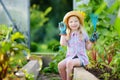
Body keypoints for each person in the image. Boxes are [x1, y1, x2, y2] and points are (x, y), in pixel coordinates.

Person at [58, 11, 98, 80]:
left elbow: (88, 48)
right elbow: (62, 44)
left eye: (76, 21)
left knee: (69, 63)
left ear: (79, 22)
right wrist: (63, 32)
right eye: (71, 22)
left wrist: (92, 41)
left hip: (81, 58)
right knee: (60, 65)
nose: (74, 23)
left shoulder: (83, 34)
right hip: (70, 57)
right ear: (67, 24)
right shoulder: (67, 34)